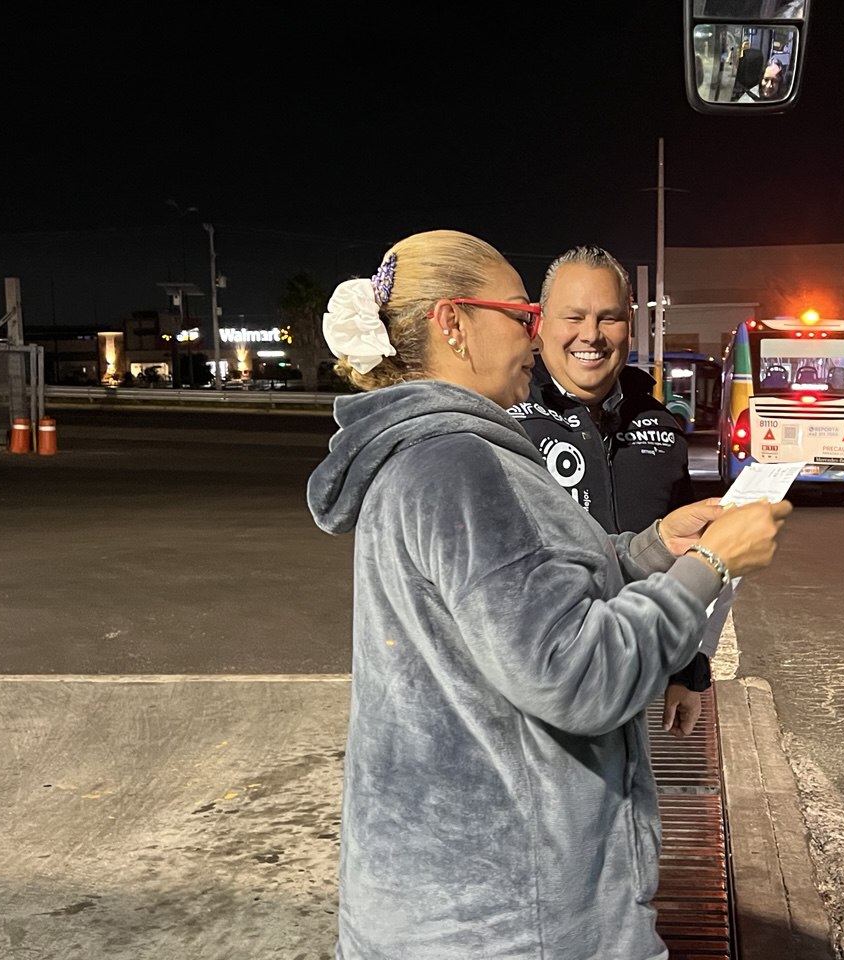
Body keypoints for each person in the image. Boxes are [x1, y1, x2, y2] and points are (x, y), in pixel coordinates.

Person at [307, 229, 791, 960]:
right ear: (453, 324)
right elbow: (577, 672)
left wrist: (657, 545)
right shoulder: (456, 466)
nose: (537, 334)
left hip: (452, 899)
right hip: (510, 917)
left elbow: (540, 587)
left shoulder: (440, 453)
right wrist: (711, 569)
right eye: (521, 314)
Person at [509, 245, 707, 738]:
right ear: (540, 324)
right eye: (573, 317)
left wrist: (687, 672)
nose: (591, 336)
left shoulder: (661, 424)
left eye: (609, 318)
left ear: (631, 326)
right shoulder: (504, 423)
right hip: (535, 696)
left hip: (638, 681)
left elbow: (694, 560)